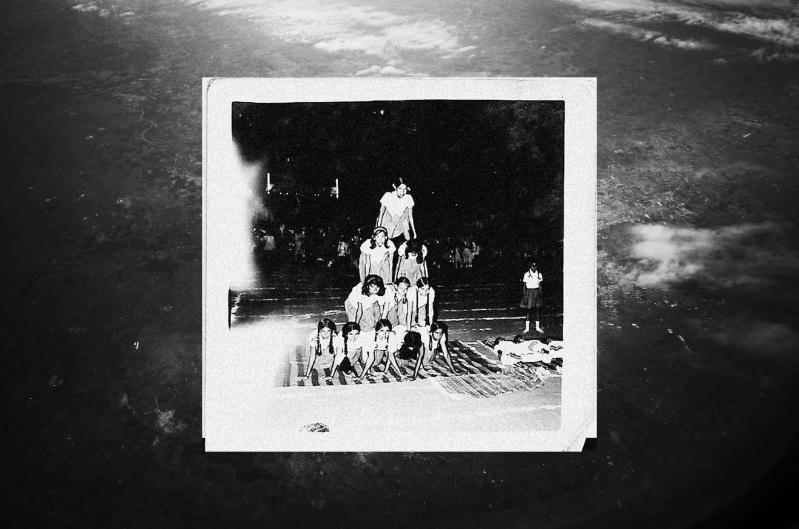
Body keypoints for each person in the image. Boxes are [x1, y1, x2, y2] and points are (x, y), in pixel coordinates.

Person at [376, 177, 417, 248]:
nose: (402, 192)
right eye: (400, 189)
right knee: (384, 242)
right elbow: (381, 214)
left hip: (400, 222)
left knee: (408, 239)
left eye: (405, 189)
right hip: (388, 221)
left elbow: (410, 217)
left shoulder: (408, 198)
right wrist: (378, 229)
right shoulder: (388, 195)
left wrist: (414, 232)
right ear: (395, 187)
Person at [520, 262, 544, 334]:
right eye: (533, 266)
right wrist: (524, 296)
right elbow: (524, 286)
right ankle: (527, 328)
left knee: (537, 310)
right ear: (530, 266)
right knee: (528, 310)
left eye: (535, 266)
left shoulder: (539, 274)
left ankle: (537, 327)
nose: (534, 268)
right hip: (529, 292)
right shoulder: (526, 274)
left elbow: (540, 285)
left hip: (536, 292)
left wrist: (540, 294)